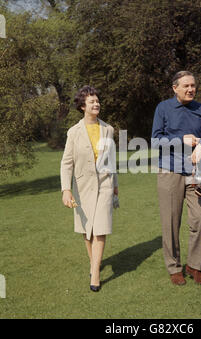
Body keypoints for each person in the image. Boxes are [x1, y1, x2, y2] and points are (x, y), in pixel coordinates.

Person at [151, 71, 201, 286]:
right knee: (171, 223)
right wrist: (180, 139)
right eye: (186, 86)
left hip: (195, 174)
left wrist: (200, 145)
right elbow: (155, 140)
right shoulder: (163, 108)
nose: (191, 89)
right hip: (169, 172)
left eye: (193, 85)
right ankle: (174, 268)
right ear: (175, 88)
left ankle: (194, 265)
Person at [60, 85, 118, 292]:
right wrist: (66, 190)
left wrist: (116, 185)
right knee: (87, 230)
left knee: (100, 229)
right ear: (82, 106)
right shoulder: (73, 132)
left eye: (97, 101)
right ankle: (95, 263)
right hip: (82, 187)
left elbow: (111, 160)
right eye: (92, 101)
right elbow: (67, 163)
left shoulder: (108, 129)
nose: (96, 104)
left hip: (104, 184)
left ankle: (95, 274)